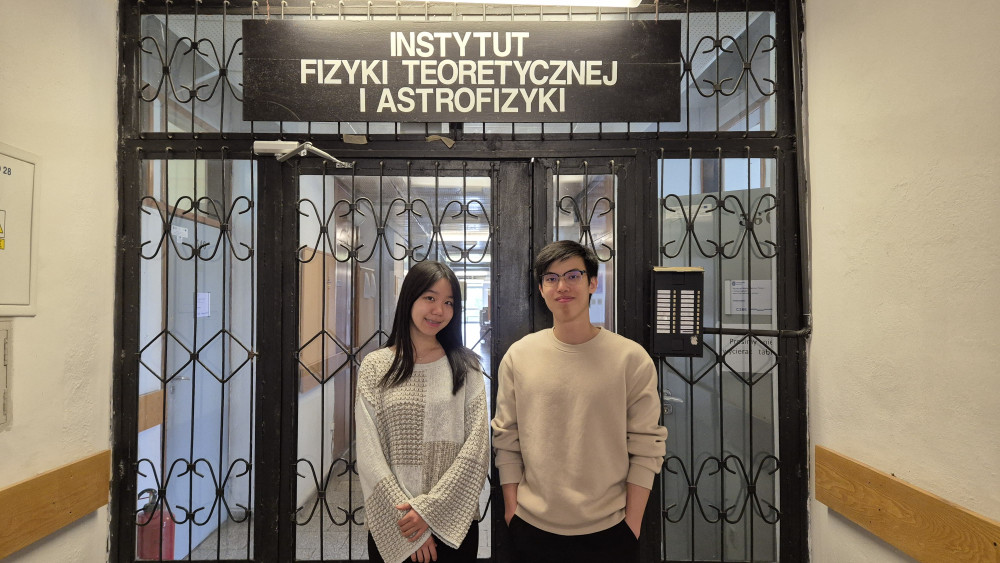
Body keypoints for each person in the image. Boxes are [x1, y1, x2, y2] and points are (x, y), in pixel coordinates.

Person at [491, 240, 668, 563]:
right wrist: (512, 510)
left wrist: (632, 525)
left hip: (611, 531)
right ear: (542, 289)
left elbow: (647, 444)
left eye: (573, 275)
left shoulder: (630, 358)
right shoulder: (520, 356)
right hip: (531, 527)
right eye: (551, 278)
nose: (562, 286)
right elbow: (507, 437)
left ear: (592, 283)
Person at [356, 260, 489, 563]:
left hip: (454, 524)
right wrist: (409, 521)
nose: (439, 310)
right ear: (409, 299)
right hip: (395, 524)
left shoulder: (466, 366)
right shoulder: (376, 366)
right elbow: (369, 453)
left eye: (449, 302)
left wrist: (428, 513)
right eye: (430, 298)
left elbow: (476, 448)